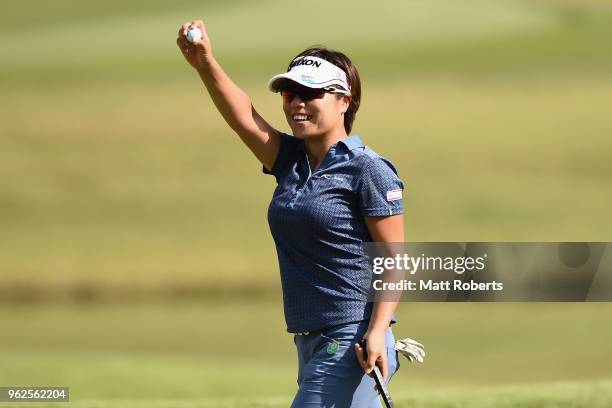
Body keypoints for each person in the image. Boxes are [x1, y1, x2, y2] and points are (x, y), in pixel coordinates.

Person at [177, 20, 405, 407]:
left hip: (352, 336)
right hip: (310, 336)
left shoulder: (368, 169)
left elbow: (394, 259)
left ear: (343, 101)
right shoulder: (291, 162)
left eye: (311, 93)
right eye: (289, 93)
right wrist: (205, 64)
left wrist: (378, 330)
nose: (297, 103)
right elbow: (243, 117)